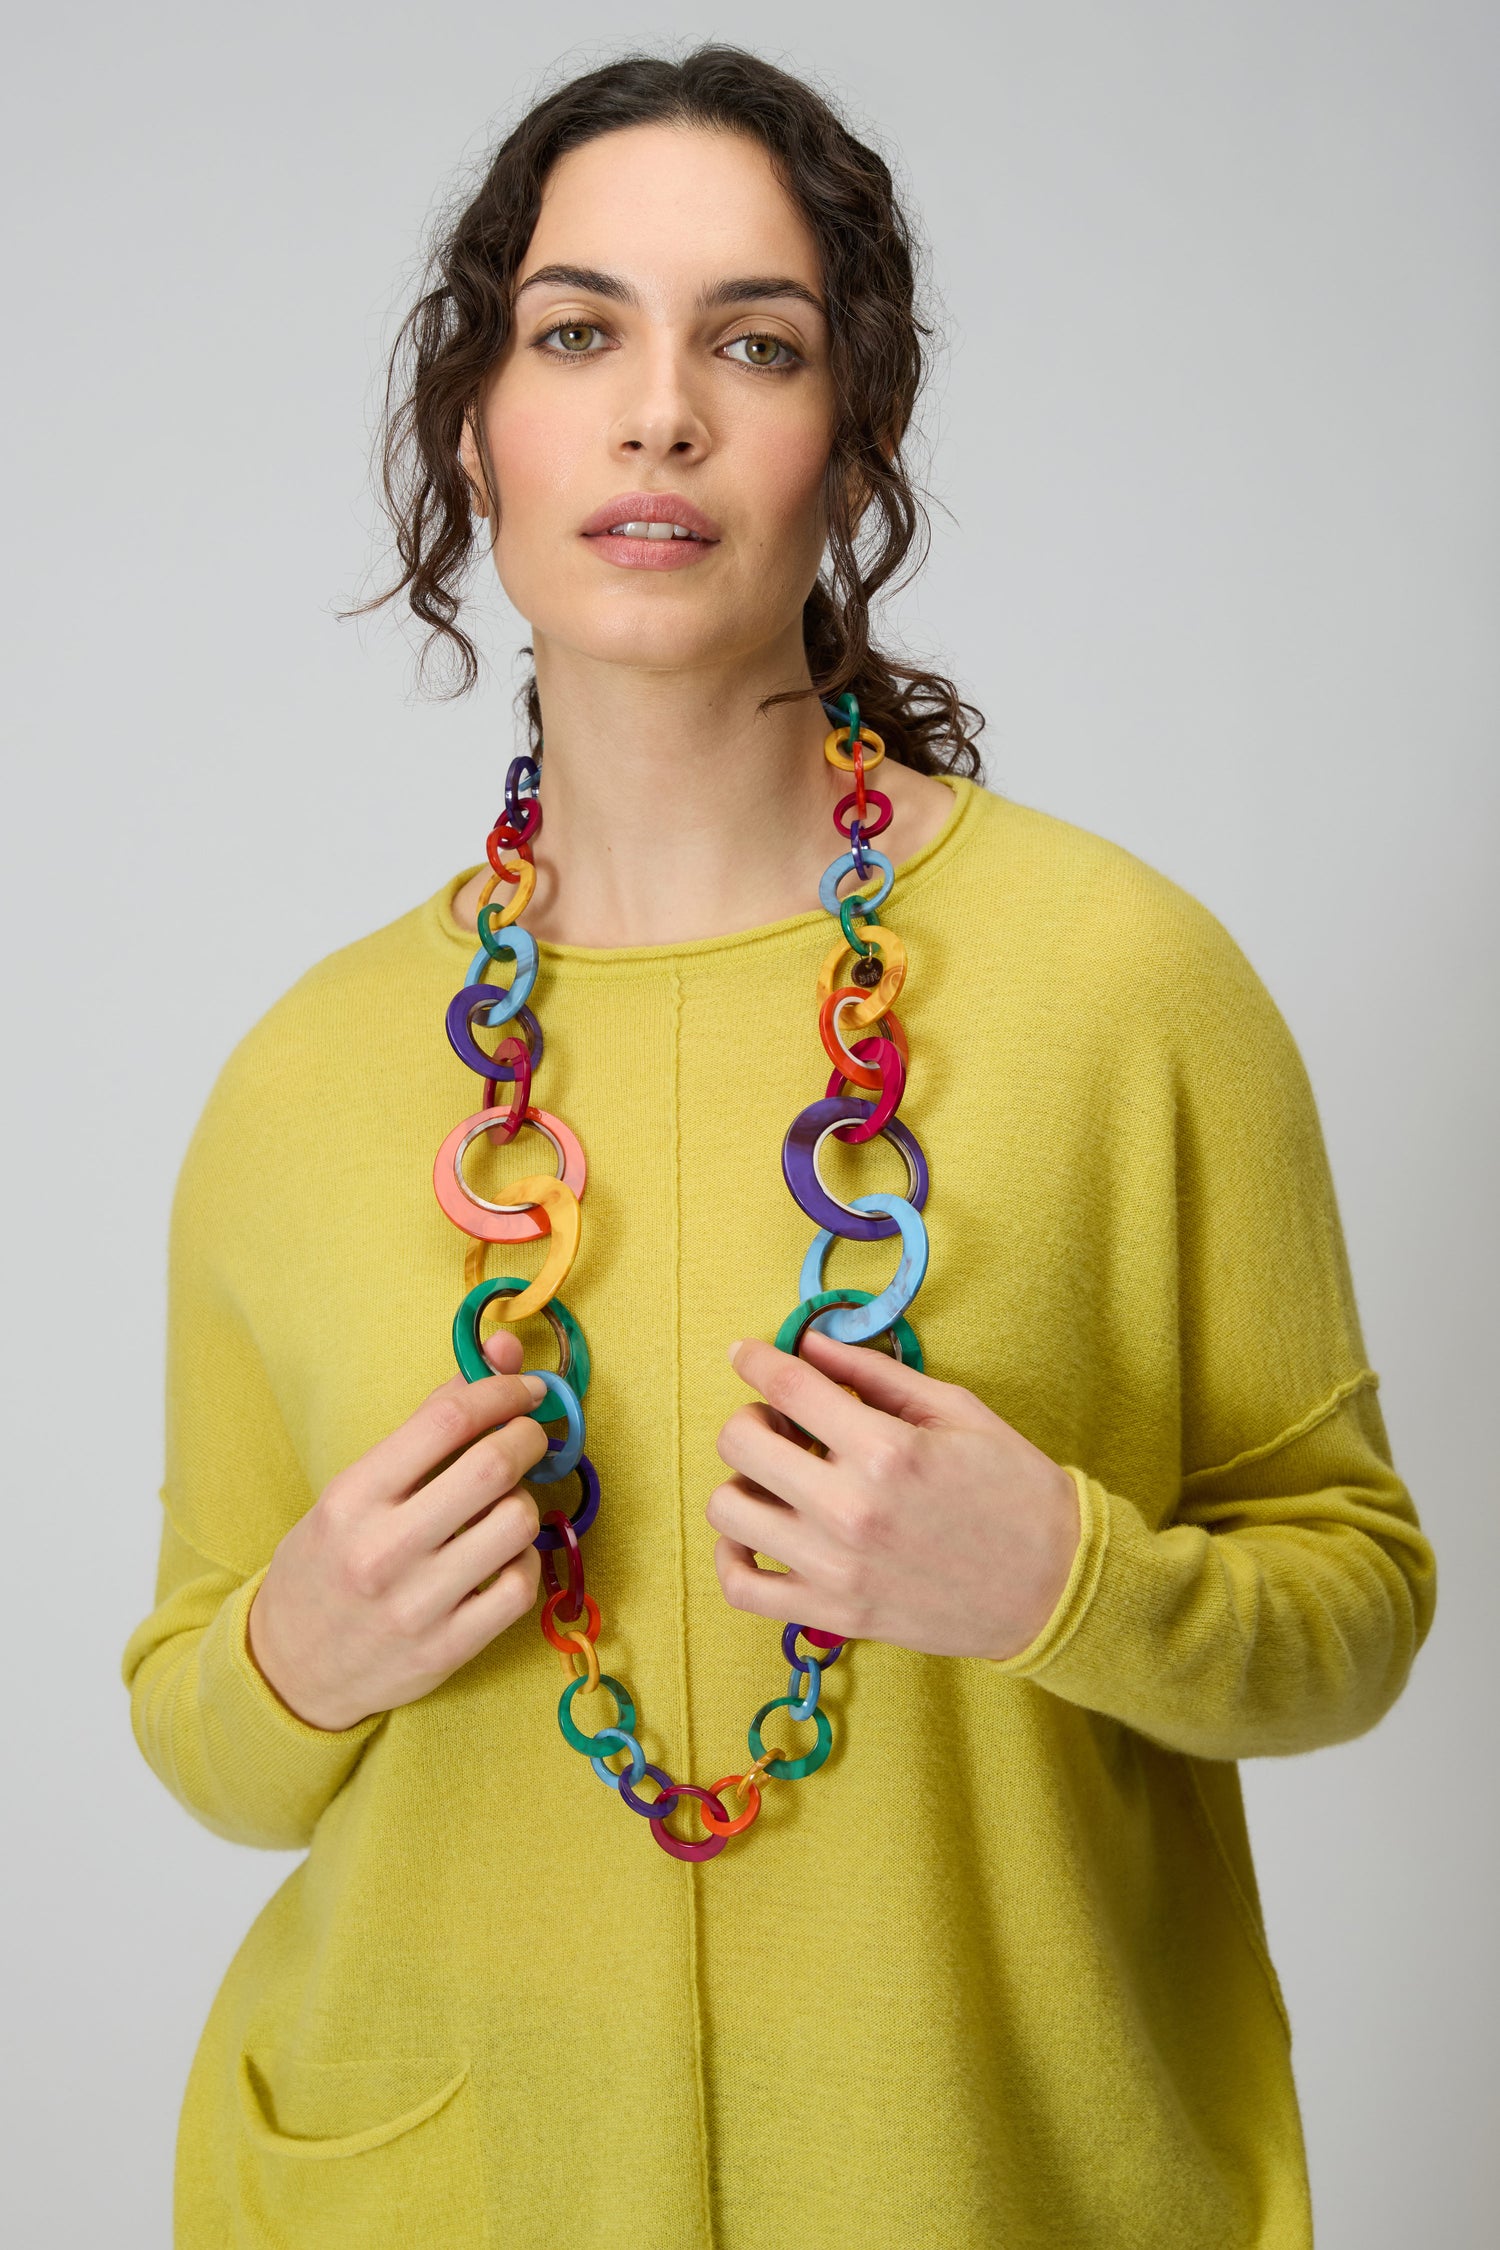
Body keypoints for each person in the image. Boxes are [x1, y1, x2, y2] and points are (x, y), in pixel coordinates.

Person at [120, 43, 1437, 2250]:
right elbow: (196, 1724)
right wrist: (296, 1655)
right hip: (432, 2194)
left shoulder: (1125, 985)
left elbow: (1360, 1602)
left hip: (995, 2188)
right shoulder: (300, 1080)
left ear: (855, 444)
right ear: (481, 434)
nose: (659, 412)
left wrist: (1064, 1583)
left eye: (755, 339)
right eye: (576, 332)